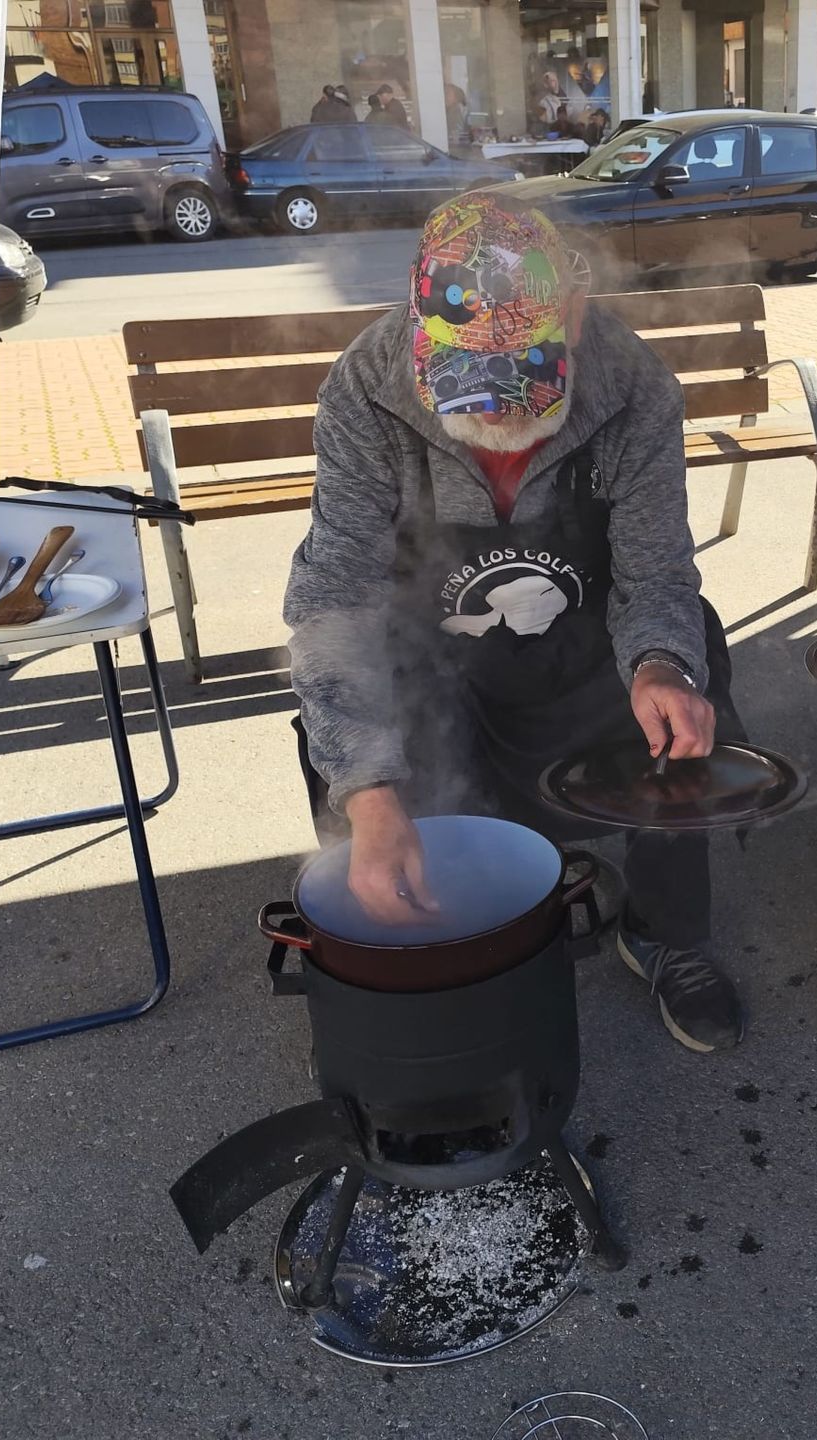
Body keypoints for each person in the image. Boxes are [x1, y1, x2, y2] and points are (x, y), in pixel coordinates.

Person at [286, 193, 749, 1054]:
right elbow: (334, 601)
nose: (496, 423)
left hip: (583, 641)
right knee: (361, 753)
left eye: (517, 388)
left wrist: (659, 667)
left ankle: (665, 933)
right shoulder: (366, 387)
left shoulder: (635, 388)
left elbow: (654, 574)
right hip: (442, 654)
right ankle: (446, 940)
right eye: (472, 392)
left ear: (570, 316)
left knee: (691, 672)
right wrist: (369, 797)